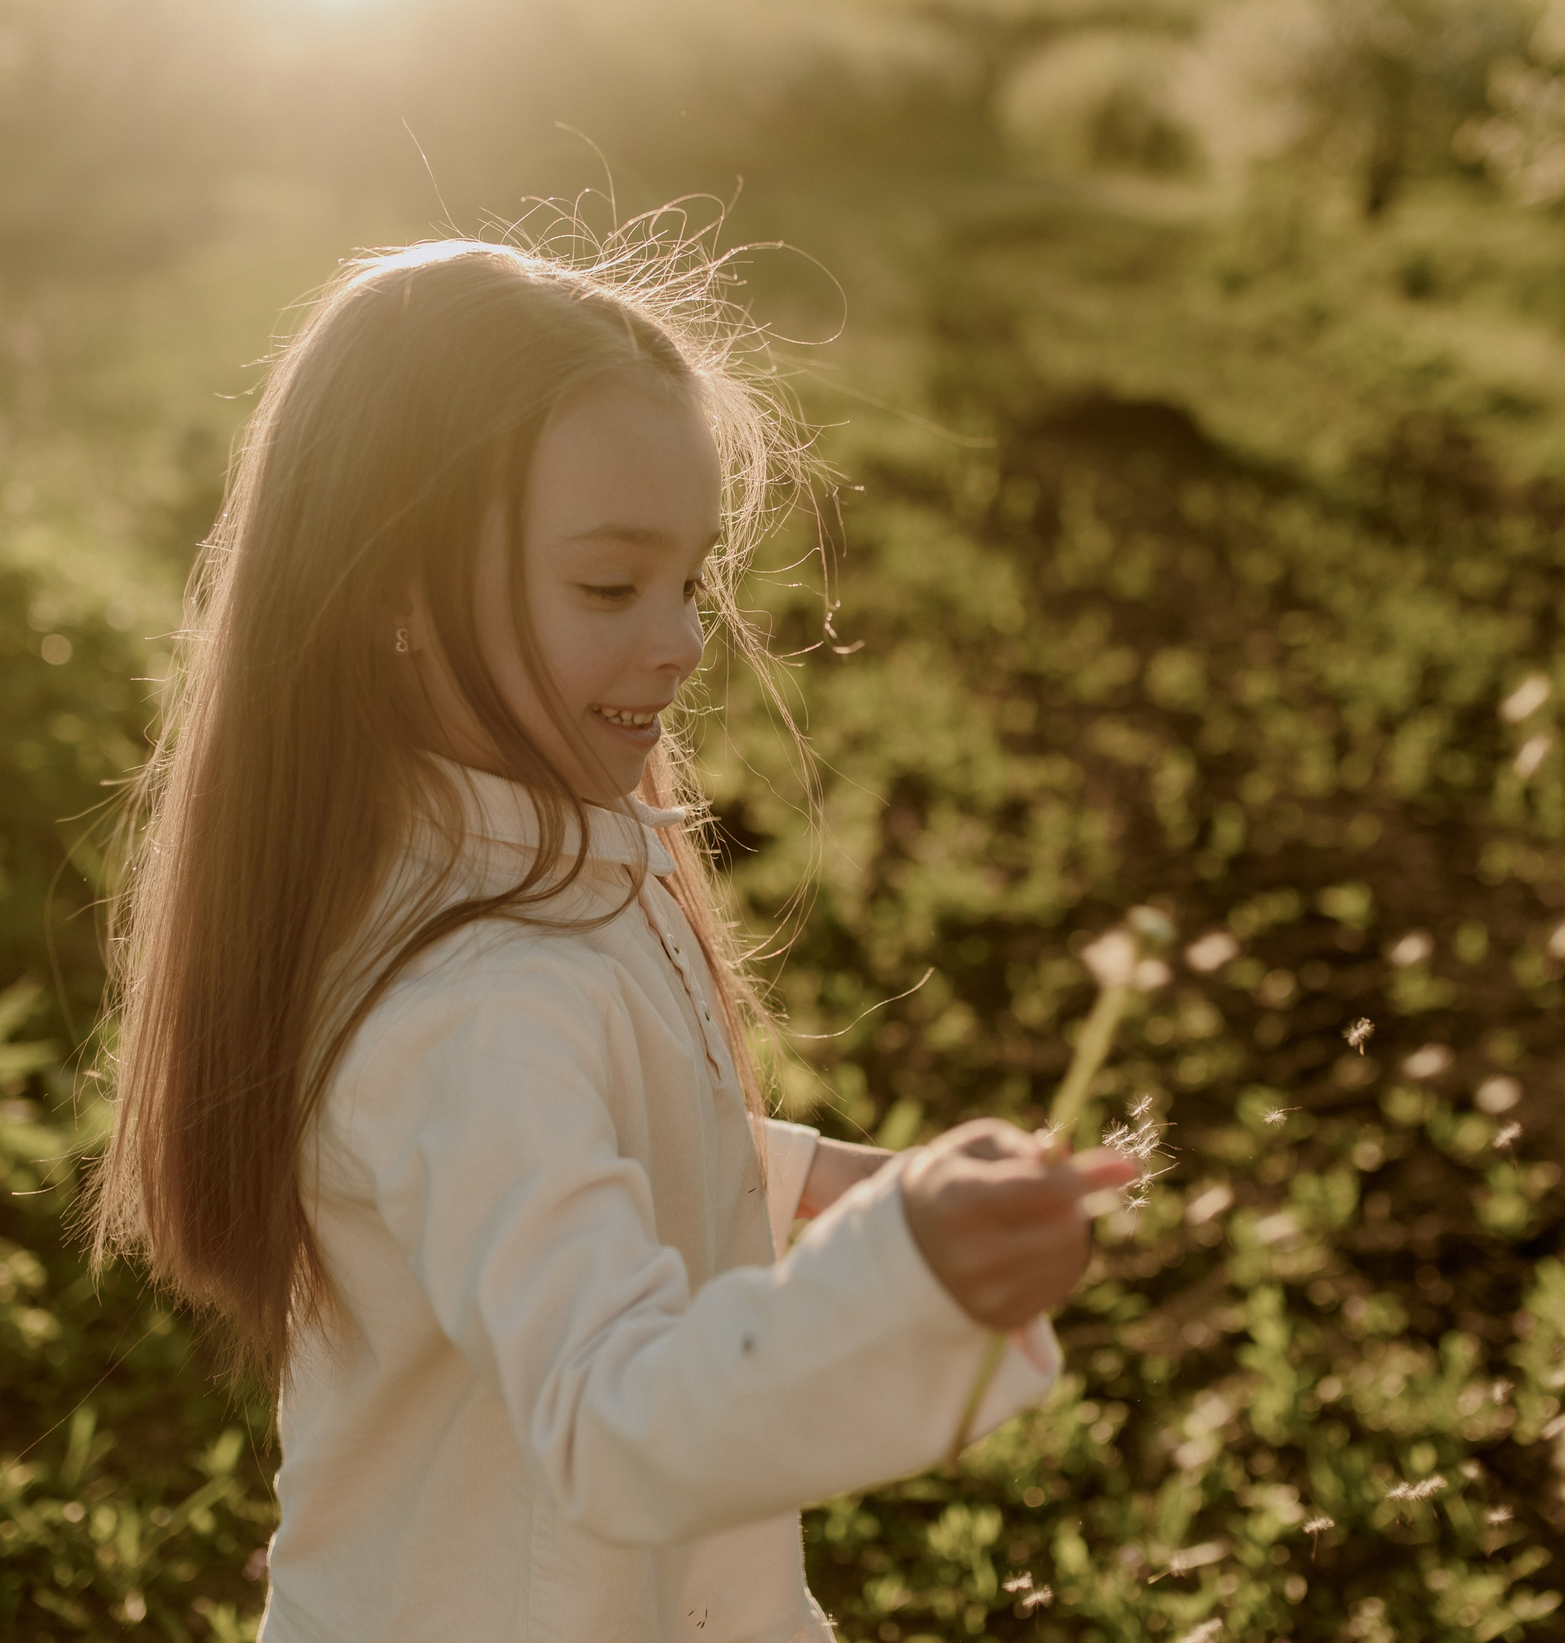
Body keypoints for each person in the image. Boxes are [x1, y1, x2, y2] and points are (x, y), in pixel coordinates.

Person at [89, 236, 1140, 1643]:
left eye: (691, 581)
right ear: (392, 589)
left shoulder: (527, 873)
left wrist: (838, 1186)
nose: (682, 640)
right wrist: (904, 1279)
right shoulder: (477, 995)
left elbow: (548, 1158)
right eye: (607, 589)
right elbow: (612, 1423)